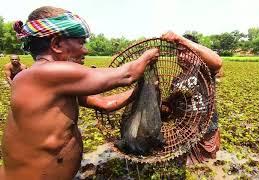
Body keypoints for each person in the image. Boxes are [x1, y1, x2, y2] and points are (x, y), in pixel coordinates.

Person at [0, 6, 159, 180]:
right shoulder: (44, 74)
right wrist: (149, 55)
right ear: (57, 44)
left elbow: (104, 103)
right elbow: (128, 74)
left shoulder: (57, 83)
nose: (86, 50)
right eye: (81, 42)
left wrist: (140, 92)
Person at [161, 31, 222, 165]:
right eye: (178, 52)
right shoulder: (176, 80)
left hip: (206, 132)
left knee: (206, 167)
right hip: (184, 134)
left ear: (195, 53)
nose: (181, 56)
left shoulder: (205, 72)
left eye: (185, 52)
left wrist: (180, 39)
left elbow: (217, 62)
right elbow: (173, 110)